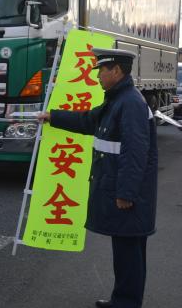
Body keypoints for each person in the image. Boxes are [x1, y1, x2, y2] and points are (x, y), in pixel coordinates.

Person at [38, 48, 158, 308]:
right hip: (121, 189)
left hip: (128, 195)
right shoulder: (118, 99)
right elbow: (89, 121)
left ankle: (126, 303)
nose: (98, 77)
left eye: (101, 71)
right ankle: (123, 299)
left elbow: (135, 153)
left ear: (116, 70)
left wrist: (126, 194)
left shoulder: (130, 103)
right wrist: (53, 116)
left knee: (129, 253)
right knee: (127, 251)